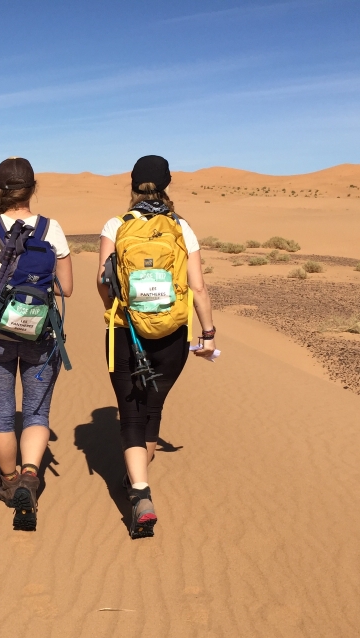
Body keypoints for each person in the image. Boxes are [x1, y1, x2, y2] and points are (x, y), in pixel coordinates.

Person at [97, 155, 217, 539]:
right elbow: (198, 287)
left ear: (132, 184)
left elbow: (102, 283)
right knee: (153, 407)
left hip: (124, 332)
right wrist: (209, 332)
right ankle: (139, 479)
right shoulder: (182, 229)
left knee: (129, 415)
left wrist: (121, 314)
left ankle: (140, 492)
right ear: (167, 185)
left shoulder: (115, 226)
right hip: (172, 336)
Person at [0, 157, 74, 531]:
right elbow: (68, 288)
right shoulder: (52, 228)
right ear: (32, 187)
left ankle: (10, 483)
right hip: (41, 334)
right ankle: (31, 475)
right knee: (36, 413)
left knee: (2, 413)